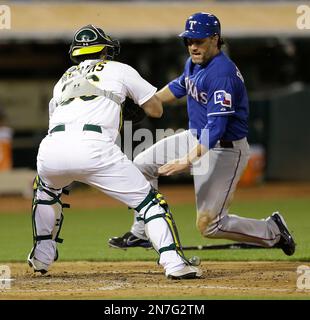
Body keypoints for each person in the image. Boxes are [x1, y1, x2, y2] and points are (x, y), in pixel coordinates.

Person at [108, 12, 296, 256]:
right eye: (189, 40)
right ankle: (142, 232)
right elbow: (179, 85)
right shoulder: (195, 63)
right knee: (142, 165)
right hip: (197, 137)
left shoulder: (221, 74)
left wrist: (186, 161)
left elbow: (216, 129)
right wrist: (150, 100)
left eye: (199, 40)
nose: (193, 46)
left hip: (225, 149)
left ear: (215, 39)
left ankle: (273, 230)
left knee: (209, 225)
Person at [27, 24, 202, 280]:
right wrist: (130, 105)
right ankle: (174, 263)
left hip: (52, 146)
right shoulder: (120, 69)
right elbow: (156, 110)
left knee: (45, 193)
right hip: (94, 147)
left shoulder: (64, 78)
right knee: (150, 203)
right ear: (105, 51)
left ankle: (41, 256)